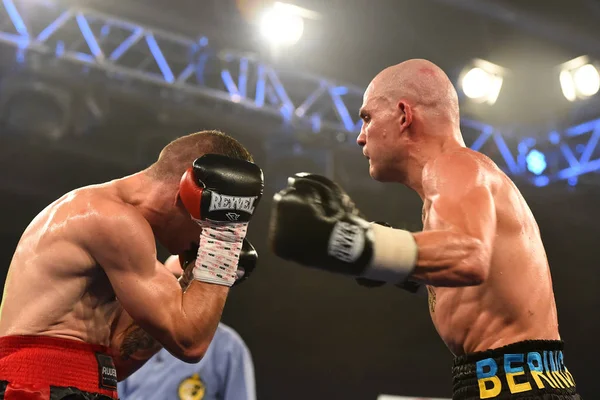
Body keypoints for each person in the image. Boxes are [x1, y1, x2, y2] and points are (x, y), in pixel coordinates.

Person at [268, 59, 581, 399]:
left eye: (367, 118)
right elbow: (476, 282)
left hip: (518, 384)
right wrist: (388, 261)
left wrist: (352, 241)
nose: (360, 136)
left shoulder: (456, 164)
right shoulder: (451, 186)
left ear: (404, 115)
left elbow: (469, 257)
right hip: (502, 379)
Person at [0, 130, 264, 399]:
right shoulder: (110, 218)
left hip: (69, 384)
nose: (203, 240)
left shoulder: (121, 240)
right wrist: (223, 239)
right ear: (188, 194)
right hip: (38, 386)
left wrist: (188, 283)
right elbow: (191, 343)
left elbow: (120, 357)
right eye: (209, 223)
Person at [119, 255, 256, 400]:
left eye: (191, 281)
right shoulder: (135, 336)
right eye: (173, 279)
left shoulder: (228, 346)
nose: (180, 287)